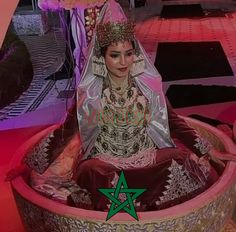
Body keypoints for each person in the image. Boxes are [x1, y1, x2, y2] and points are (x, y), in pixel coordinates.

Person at [6, 0, 236, 212]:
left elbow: (174, 122)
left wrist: (208, 150)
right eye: (115, 55)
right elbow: (65, 132)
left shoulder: (146, 88)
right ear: (102, 57)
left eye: (128, 54)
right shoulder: (91, 95)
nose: (123, 62)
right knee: (91, 170)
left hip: (147, 158)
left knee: (177, 158)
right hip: (105, 163)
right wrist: (30, 165)